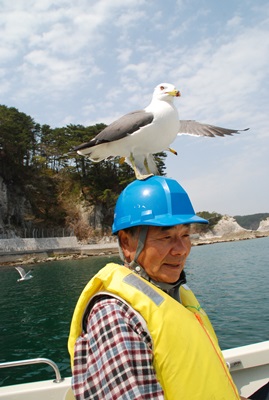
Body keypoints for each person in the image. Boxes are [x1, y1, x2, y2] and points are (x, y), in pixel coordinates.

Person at [68, 175, 250, 400]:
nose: (181, 249)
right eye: (166, 237)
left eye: (185, 235)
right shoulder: (115, 316)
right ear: (126, 243)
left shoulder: (176, 295)